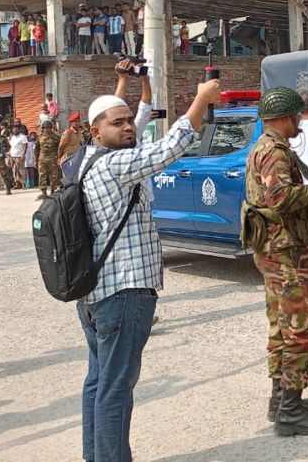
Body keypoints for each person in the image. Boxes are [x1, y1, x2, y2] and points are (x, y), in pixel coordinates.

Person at [73, 76, 221, 462]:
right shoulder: (115, 165)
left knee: (99, 380)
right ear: (95, 131)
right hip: (123, 291)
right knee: (116, 385)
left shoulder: (80, 161)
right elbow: (170, 148)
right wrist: (201, 99)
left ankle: (95, 455)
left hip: (94, 292)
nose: (127, 128)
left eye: (128, 121)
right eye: (116, 123)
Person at [244, 87, 308, 436]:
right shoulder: (275, 153)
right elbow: (279, 198)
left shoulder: (268, 147)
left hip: (275, 251)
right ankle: (291, 411)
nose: (299, 121)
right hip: (286, 253)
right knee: (304, 328)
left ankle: (280, 398)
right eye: (295, 116)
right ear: (283, 118)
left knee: (282, 326)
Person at [37, 121, 62, 198]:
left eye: (48, 128)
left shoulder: (56, 137)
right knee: (42, 175)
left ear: (51, 128)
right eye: (45, 128)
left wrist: (59, 158)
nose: (47, 129)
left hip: (53, 158)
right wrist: (35, 160)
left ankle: (53, 191)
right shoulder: (39, 137)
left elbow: (60, 148)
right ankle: (44, 192)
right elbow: (37, 149)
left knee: (53, 176)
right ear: (43, 129)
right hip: (42, 158)